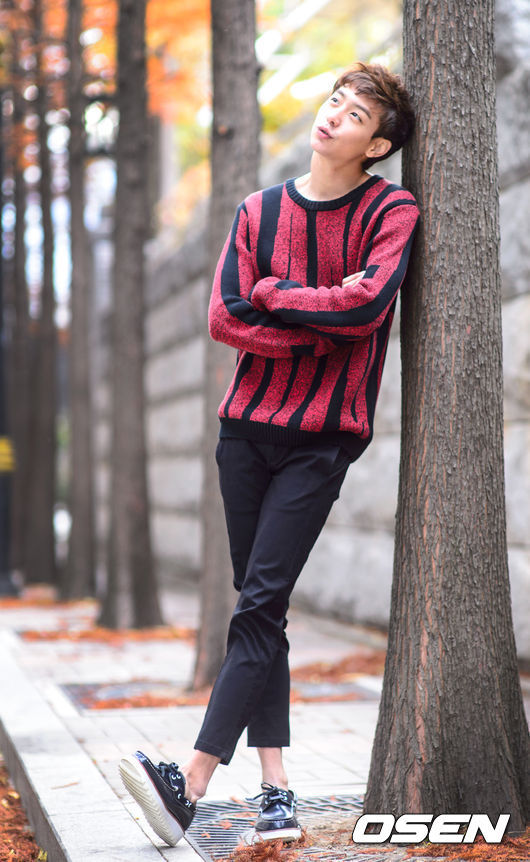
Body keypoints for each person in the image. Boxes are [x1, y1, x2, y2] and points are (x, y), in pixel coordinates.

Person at [119, 61, 420, 848]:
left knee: (257, 606)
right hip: (245, 434)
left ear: (376, 145)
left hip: (323, 438)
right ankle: (277, 788)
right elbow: (226, 316)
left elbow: (365, 307)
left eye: (355, 115)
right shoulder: (258, 210)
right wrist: (313, 327)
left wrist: (278, 294)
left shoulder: (390, 209)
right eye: (335, 101)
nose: (334, 115)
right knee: (264, 607)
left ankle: (189, 783)